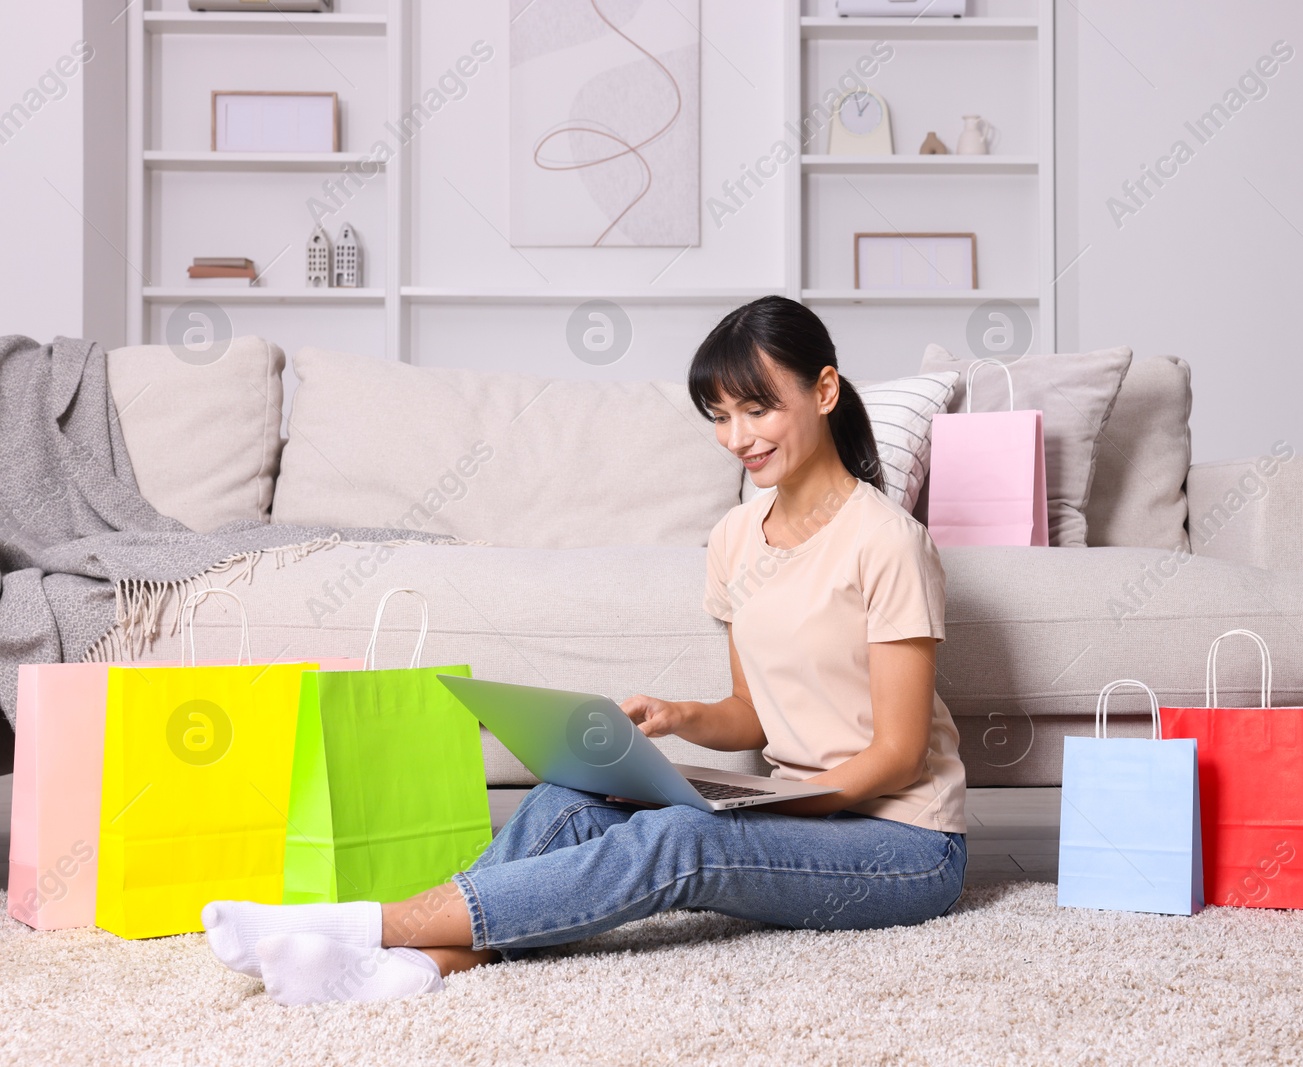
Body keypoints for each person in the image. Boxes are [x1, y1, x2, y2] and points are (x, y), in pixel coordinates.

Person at [201, 295, 968, 1005]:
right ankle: (422, 966)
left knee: (683, 838)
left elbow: (899, 756)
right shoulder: (737, 538)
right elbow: (754, 719)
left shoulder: (887, 542)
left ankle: (372, 925)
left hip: (902, 842)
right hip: (795, 811)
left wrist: (766, 810)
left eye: (758, 408)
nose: (738, 438)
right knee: (574, 797)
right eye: (721, 415)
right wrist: (681, 716)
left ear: (825, 391)